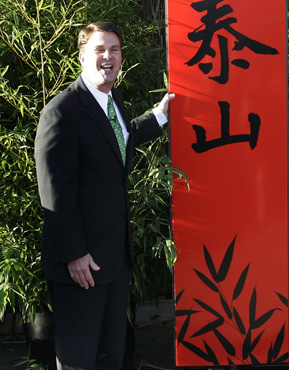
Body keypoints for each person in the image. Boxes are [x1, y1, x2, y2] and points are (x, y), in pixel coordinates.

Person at [34, 21, 175, 369]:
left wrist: (159, 116)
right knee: (78, 358)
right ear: (82, 55)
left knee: (111, 354)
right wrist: (74, 254)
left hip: (114, 257)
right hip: (80, 263)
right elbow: (54, 191)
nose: (108, 56)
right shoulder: (62, 111)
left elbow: (118, 141)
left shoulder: (112, 101)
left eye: (114, 49)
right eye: (99, 49)